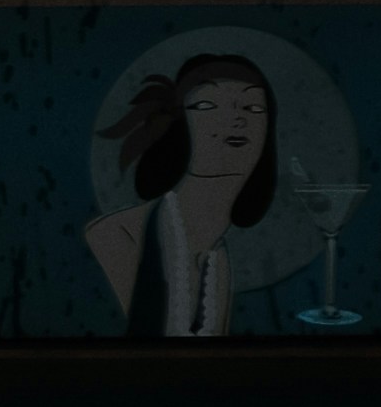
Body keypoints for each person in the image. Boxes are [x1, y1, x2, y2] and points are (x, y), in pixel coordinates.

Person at [86, 54, 281, 336]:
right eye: (207, 105)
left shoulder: (218, 262)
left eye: (253, 107)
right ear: (177, 127)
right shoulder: (117, 237)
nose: (237, 117)